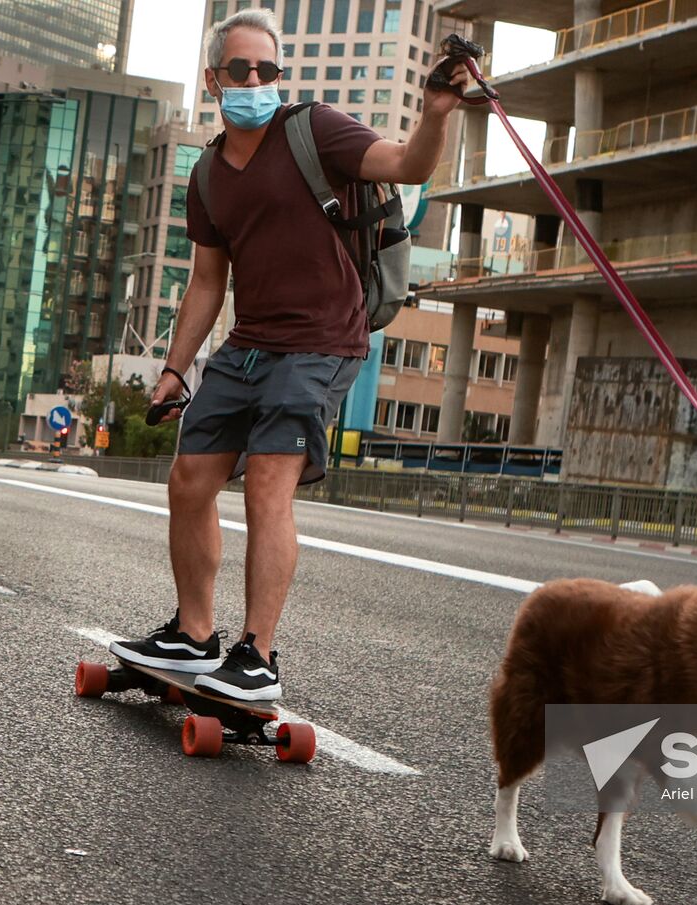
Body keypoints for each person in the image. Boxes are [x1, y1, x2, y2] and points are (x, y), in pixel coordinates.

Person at [110, 8, 468, 700]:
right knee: (188, 483)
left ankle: (258, 656)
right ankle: (192, 635)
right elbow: (208, 282)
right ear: (214, 79)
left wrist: (436, 112)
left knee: (270, 485)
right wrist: (174, 369)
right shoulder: (208, 176)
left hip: (324, 340)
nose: (256, 80)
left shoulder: (314, 130)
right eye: (241, 70)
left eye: (267, 70)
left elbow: (407, 163)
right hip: (248, 347)